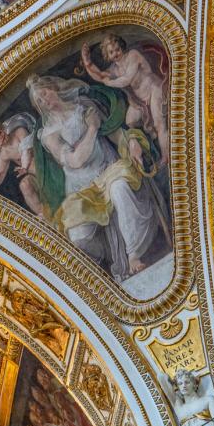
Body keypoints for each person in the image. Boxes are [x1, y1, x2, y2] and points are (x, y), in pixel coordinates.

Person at [26, 74, 163, 280]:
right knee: (78, 237)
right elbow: (75, 161)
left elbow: (113, 133)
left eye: (44, 94)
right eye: (39, 101)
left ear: (54, 87)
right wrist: (92, 127)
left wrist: (131, 142)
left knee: (120, 189)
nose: (44, 101)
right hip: (83, 188)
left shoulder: (85, 106)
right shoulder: (48, 134)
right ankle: (107, 262)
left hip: (108, 169)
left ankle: (133, 254)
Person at [80, 35, 171, 164]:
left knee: (159, 124)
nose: (116, 53)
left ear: (122, 47)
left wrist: (109, 83)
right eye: (111, 52)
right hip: (140, 100)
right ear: (107, 55)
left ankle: (166, 157)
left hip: (153, 89)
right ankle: (149, 150)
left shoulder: (133, 55)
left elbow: (127, 79)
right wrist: (87, 62)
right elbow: (99, 76)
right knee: (130, 121)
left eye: (117, 49)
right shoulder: (114, 70)